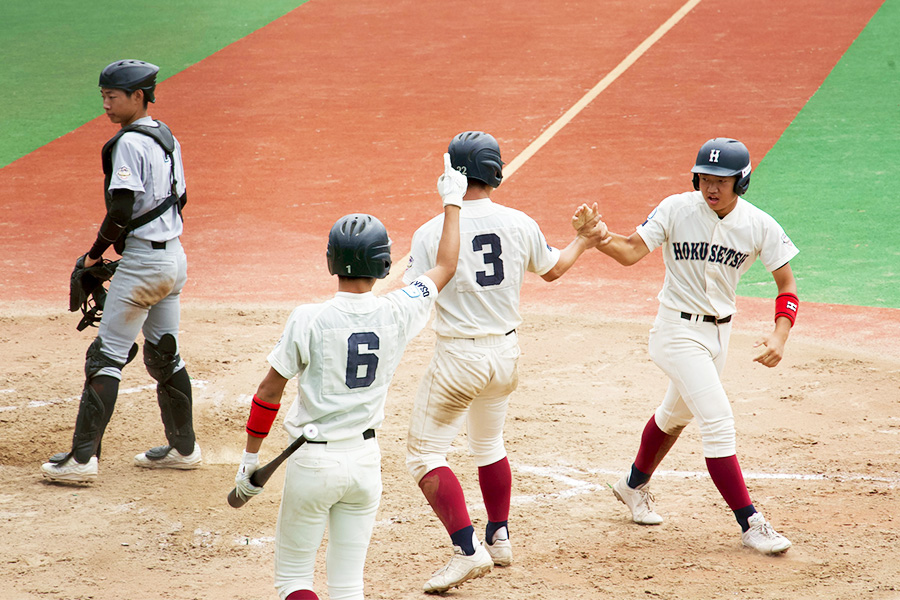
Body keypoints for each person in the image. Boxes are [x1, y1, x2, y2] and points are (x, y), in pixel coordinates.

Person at [231, 155, 463, 600]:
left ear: (331, 261)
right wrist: (452, 201)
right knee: (347, 586)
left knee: (295, 580)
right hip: (364, 464)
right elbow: (446, 265)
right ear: (382, 264)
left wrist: (249, 461)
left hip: (312, 461)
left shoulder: (308, 318)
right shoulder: (399, 309)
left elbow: (268, 392)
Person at [403, 131, 609, 593]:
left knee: (424, 454)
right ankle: (499, 535)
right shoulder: (519, 222)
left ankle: (467, 548)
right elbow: (554, 269)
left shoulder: (431, 231)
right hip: (506, 356)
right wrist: (584, 241)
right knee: (489, 443)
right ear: (495, 171)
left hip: (459, 357)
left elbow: (415, 295)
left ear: (453, 174)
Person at [590, 137, 799, 554]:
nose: (711, 188)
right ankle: (751, 523)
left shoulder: (759, 225)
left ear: (741, 182)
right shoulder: (675, 209)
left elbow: (787, 286)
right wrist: (600, 236)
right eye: (704, 178)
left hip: (719, 336)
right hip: (674, 331)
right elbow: (631, 251)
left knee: (673, 415)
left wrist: (780, 334)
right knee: (718, 421)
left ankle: (631, 485)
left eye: (721, 180)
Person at [42, 60, 199, 483]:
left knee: (106, 356)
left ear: (138, 96)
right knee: (165, 354)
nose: (106, 104)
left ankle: (80, 461)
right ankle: (184, 449)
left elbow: (121, 208)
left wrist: (95, 255)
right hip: (174, 260)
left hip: (145, 265)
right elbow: (181, 196)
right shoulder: (166, 135)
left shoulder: (130, 142)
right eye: (103, 96)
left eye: (113, 96)